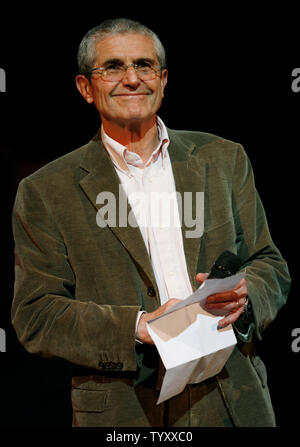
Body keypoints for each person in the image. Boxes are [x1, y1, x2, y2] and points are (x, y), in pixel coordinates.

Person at [11, 18, 290, 427]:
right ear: (85, 88)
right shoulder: (46, 190)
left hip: (233, 399)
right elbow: (36, 315)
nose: (131, 79)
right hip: (127, 410)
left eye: (144, 66)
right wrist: (140, 326)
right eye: (113, 67)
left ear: (162, 80)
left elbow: (270, 263)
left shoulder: (223, 158)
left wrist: (250, 296)